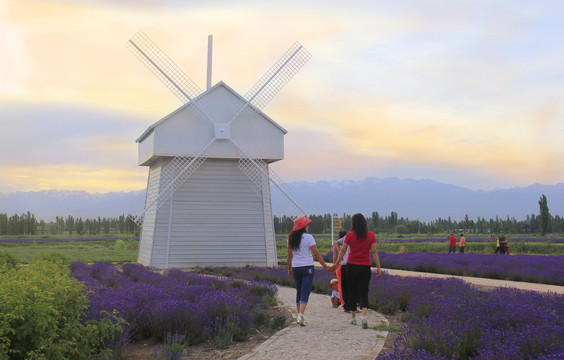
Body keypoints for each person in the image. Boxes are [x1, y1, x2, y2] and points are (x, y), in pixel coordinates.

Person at [332, 213, 381, 329]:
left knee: (352, 291)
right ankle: (364, 317)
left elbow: (343, 251)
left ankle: (353, 318)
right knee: (364, 291)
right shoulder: (371, 235)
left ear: (353, 223)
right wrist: (378, 267)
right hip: (365, 267)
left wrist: (336, 263)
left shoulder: (349, 235)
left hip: (352, 266)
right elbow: (374, 252)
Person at [287, 215, 331, 326]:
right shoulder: (308, 237)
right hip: (307, 267)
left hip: (296, 267)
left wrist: (289, 269)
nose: (308, 226)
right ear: (304, 226)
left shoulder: (290, 239)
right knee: (305, 291)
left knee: (299, 291)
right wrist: (325, 266)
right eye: (307, 224)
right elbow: (316, 253)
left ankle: (299, 317)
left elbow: (289, 256)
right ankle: (300, 316)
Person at [332, 230, 348, 311]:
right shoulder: (348, 245)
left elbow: (334, 257)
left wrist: (334, 267)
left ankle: (343, 302)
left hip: (339, 266)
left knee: (341, 285)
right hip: (348, 265)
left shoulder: (337, 246)